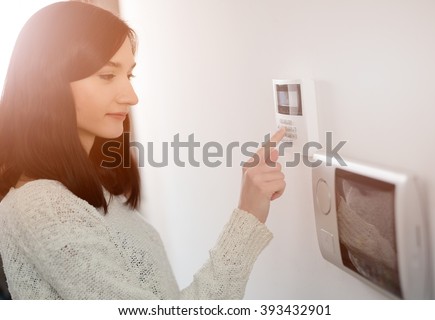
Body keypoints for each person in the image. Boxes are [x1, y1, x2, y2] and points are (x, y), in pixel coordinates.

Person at [0, 2, 286, 299]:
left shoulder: (80, 188)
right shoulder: (42, 206)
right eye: (107, 76)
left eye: (129, 76)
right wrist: (248, 215)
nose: (131, 96)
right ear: (48, 82)